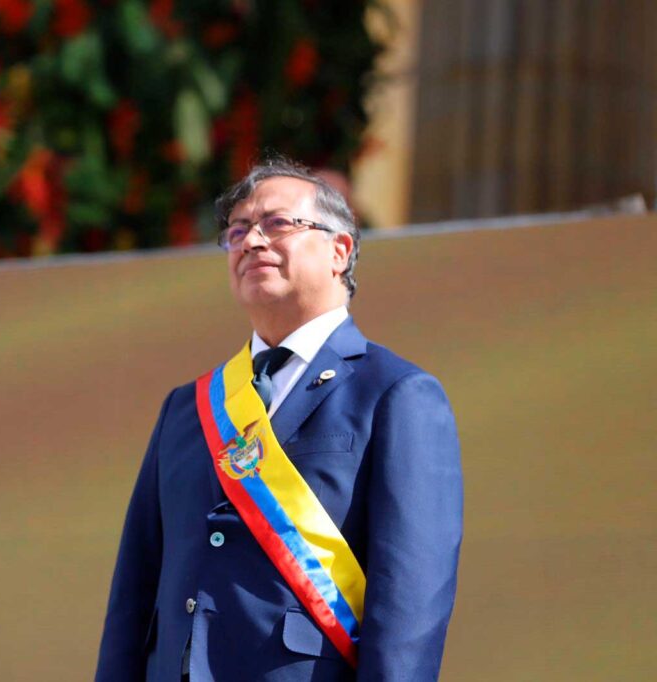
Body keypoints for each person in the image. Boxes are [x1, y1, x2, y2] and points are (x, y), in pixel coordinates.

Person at [95, 156, 463, 681]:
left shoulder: (396, 394)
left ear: (340, 251)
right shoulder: (188, 406)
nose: (251, 241)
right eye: (239, 230)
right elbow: (135, 588)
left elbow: (412, 599)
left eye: (277, 224)